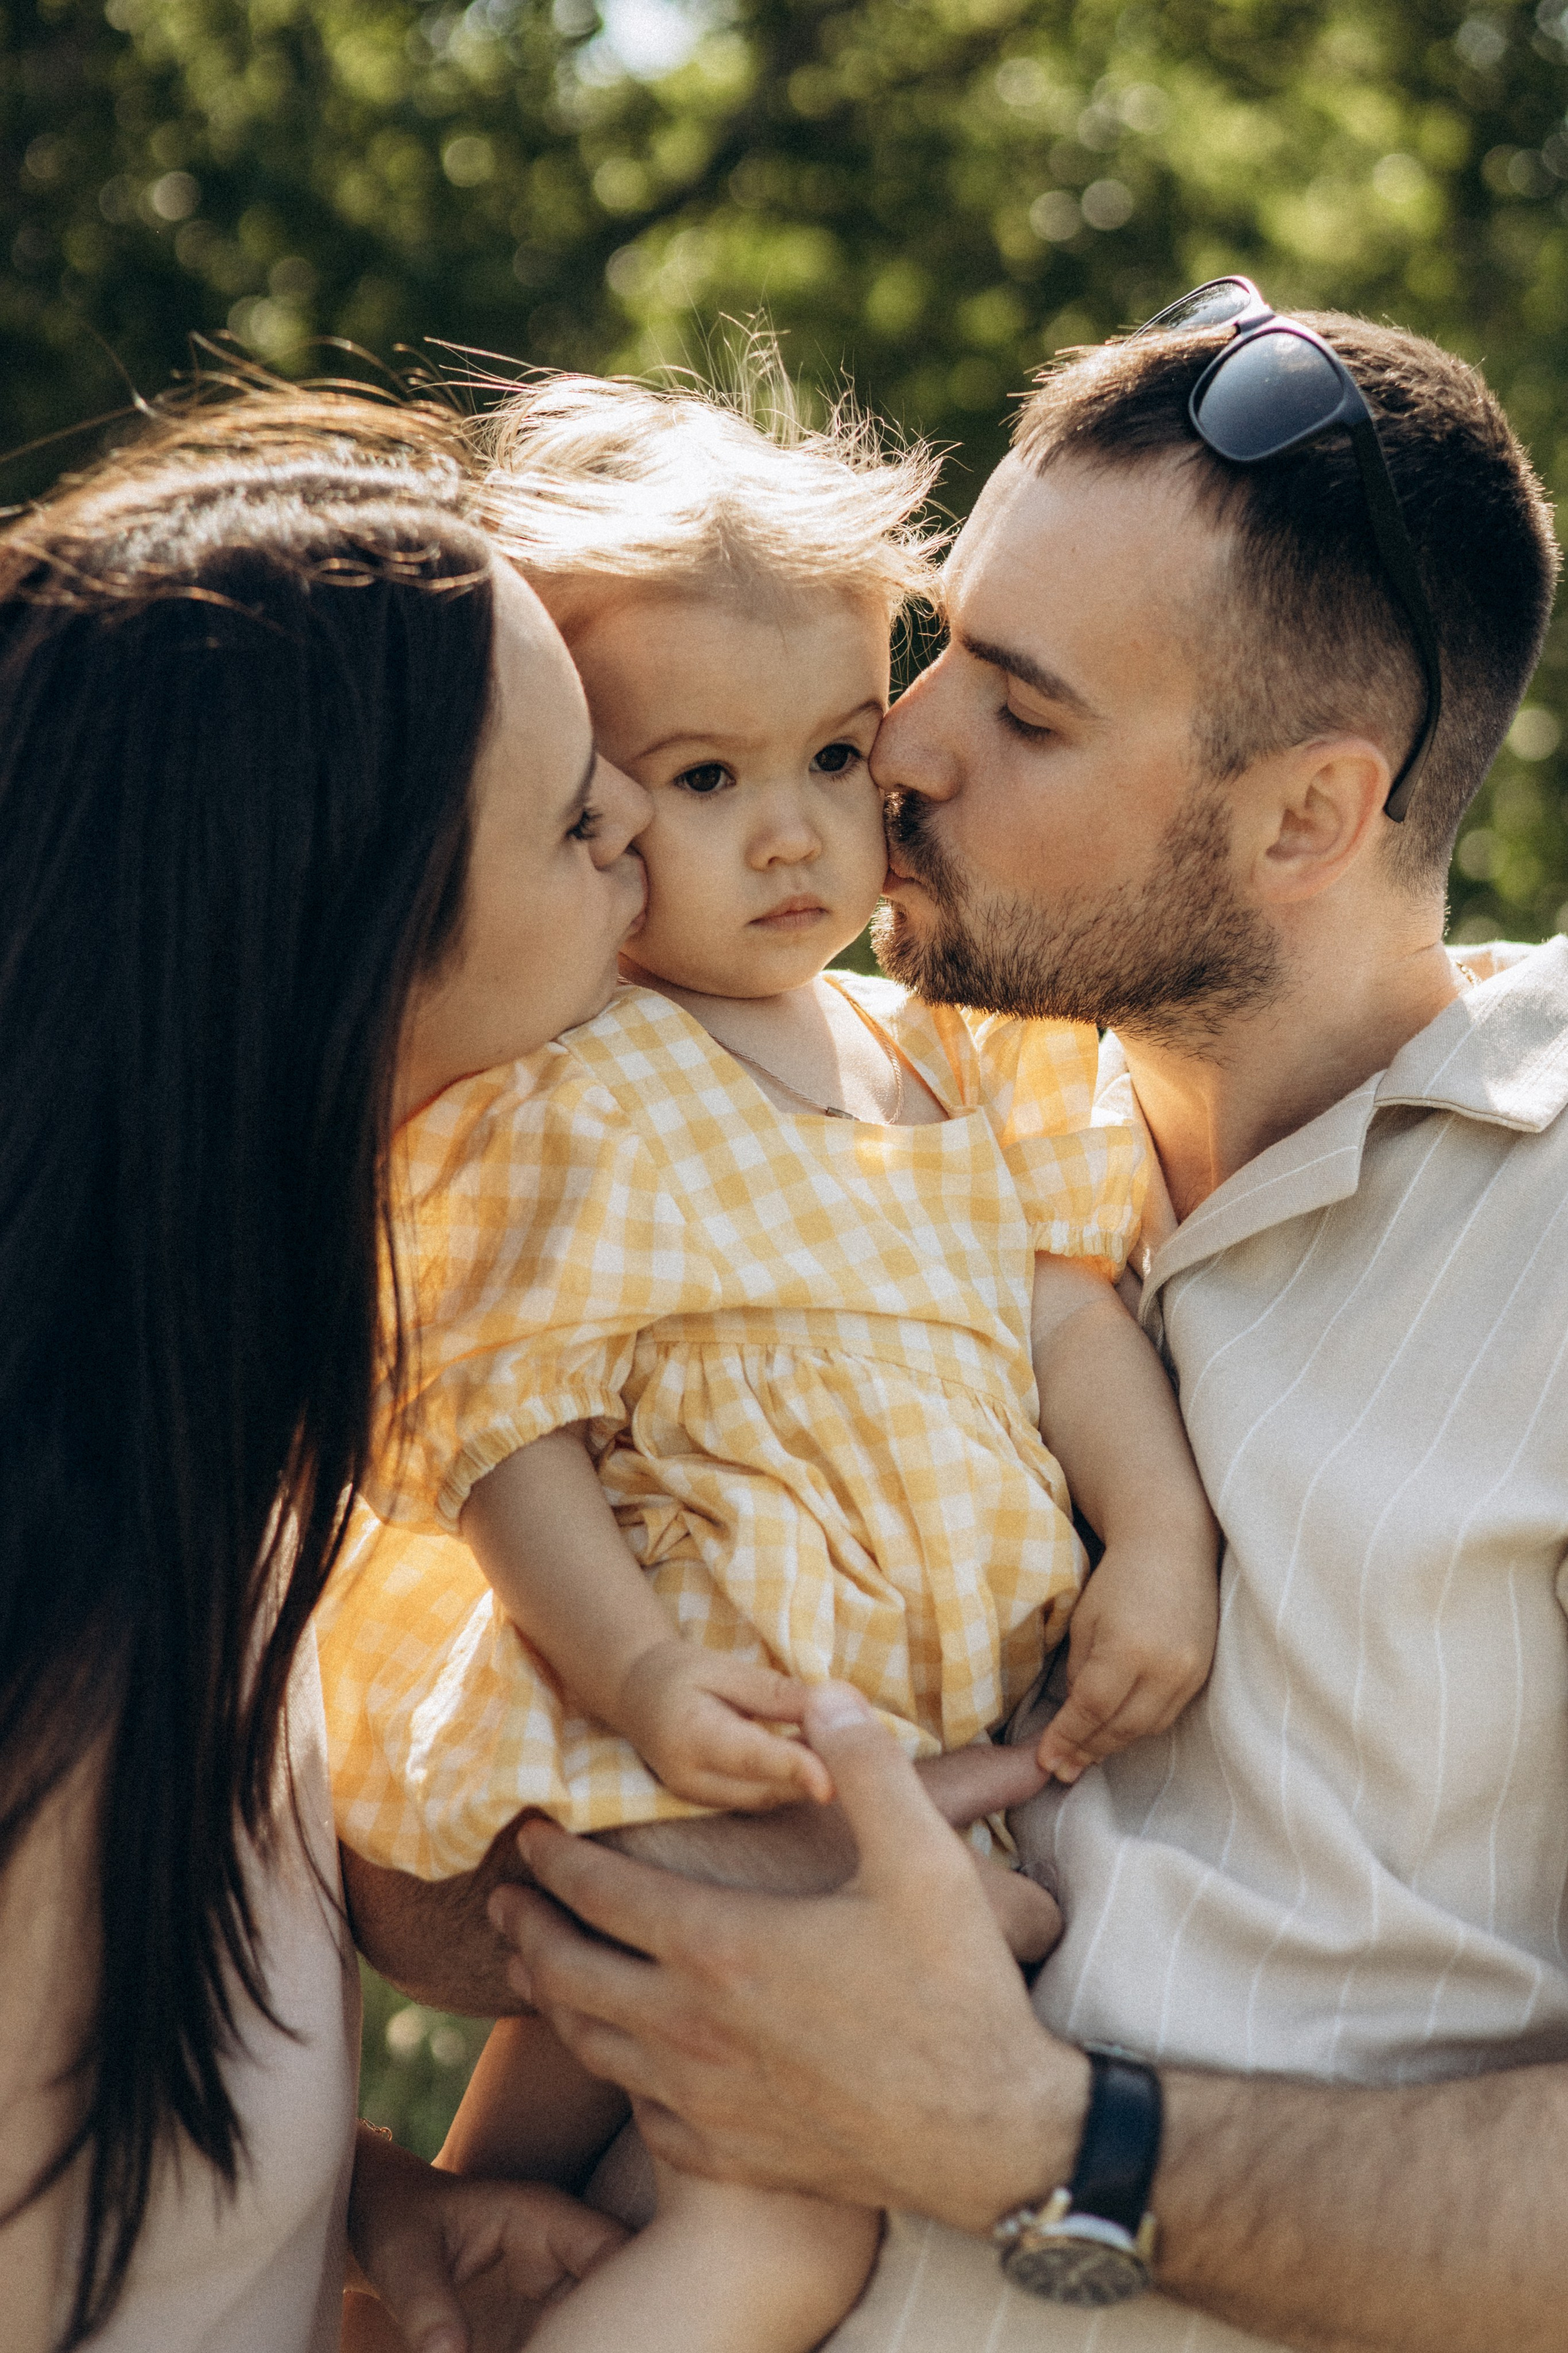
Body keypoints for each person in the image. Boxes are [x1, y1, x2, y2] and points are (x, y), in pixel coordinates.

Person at [464, 301, 1568, 2353]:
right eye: (941, 642)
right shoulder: (809, 1113)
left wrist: (1038, 2134)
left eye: (1029, 714)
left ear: (1311, 818)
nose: (904, 744)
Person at [315, 373, 1221, 2353]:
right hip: (678, 1710)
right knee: (788, 2214)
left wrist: (1157, 1529)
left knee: (553, 2166)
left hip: (852, 1740)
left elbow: (1066, 1305)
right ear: (587, 795)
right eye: (700, 781)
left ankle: (451, 2261)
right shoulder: (581, 1083)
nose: (797, 832)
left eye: (832, 751)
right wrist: (635, 1670)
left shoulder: (955, 1051)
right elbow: (496, 1427)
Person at [0, 381, 655, 2352]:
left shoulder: (222, 1475)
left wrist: (379, 2210)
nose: (639, 817)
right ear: (354, 957)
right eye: (570, 813)